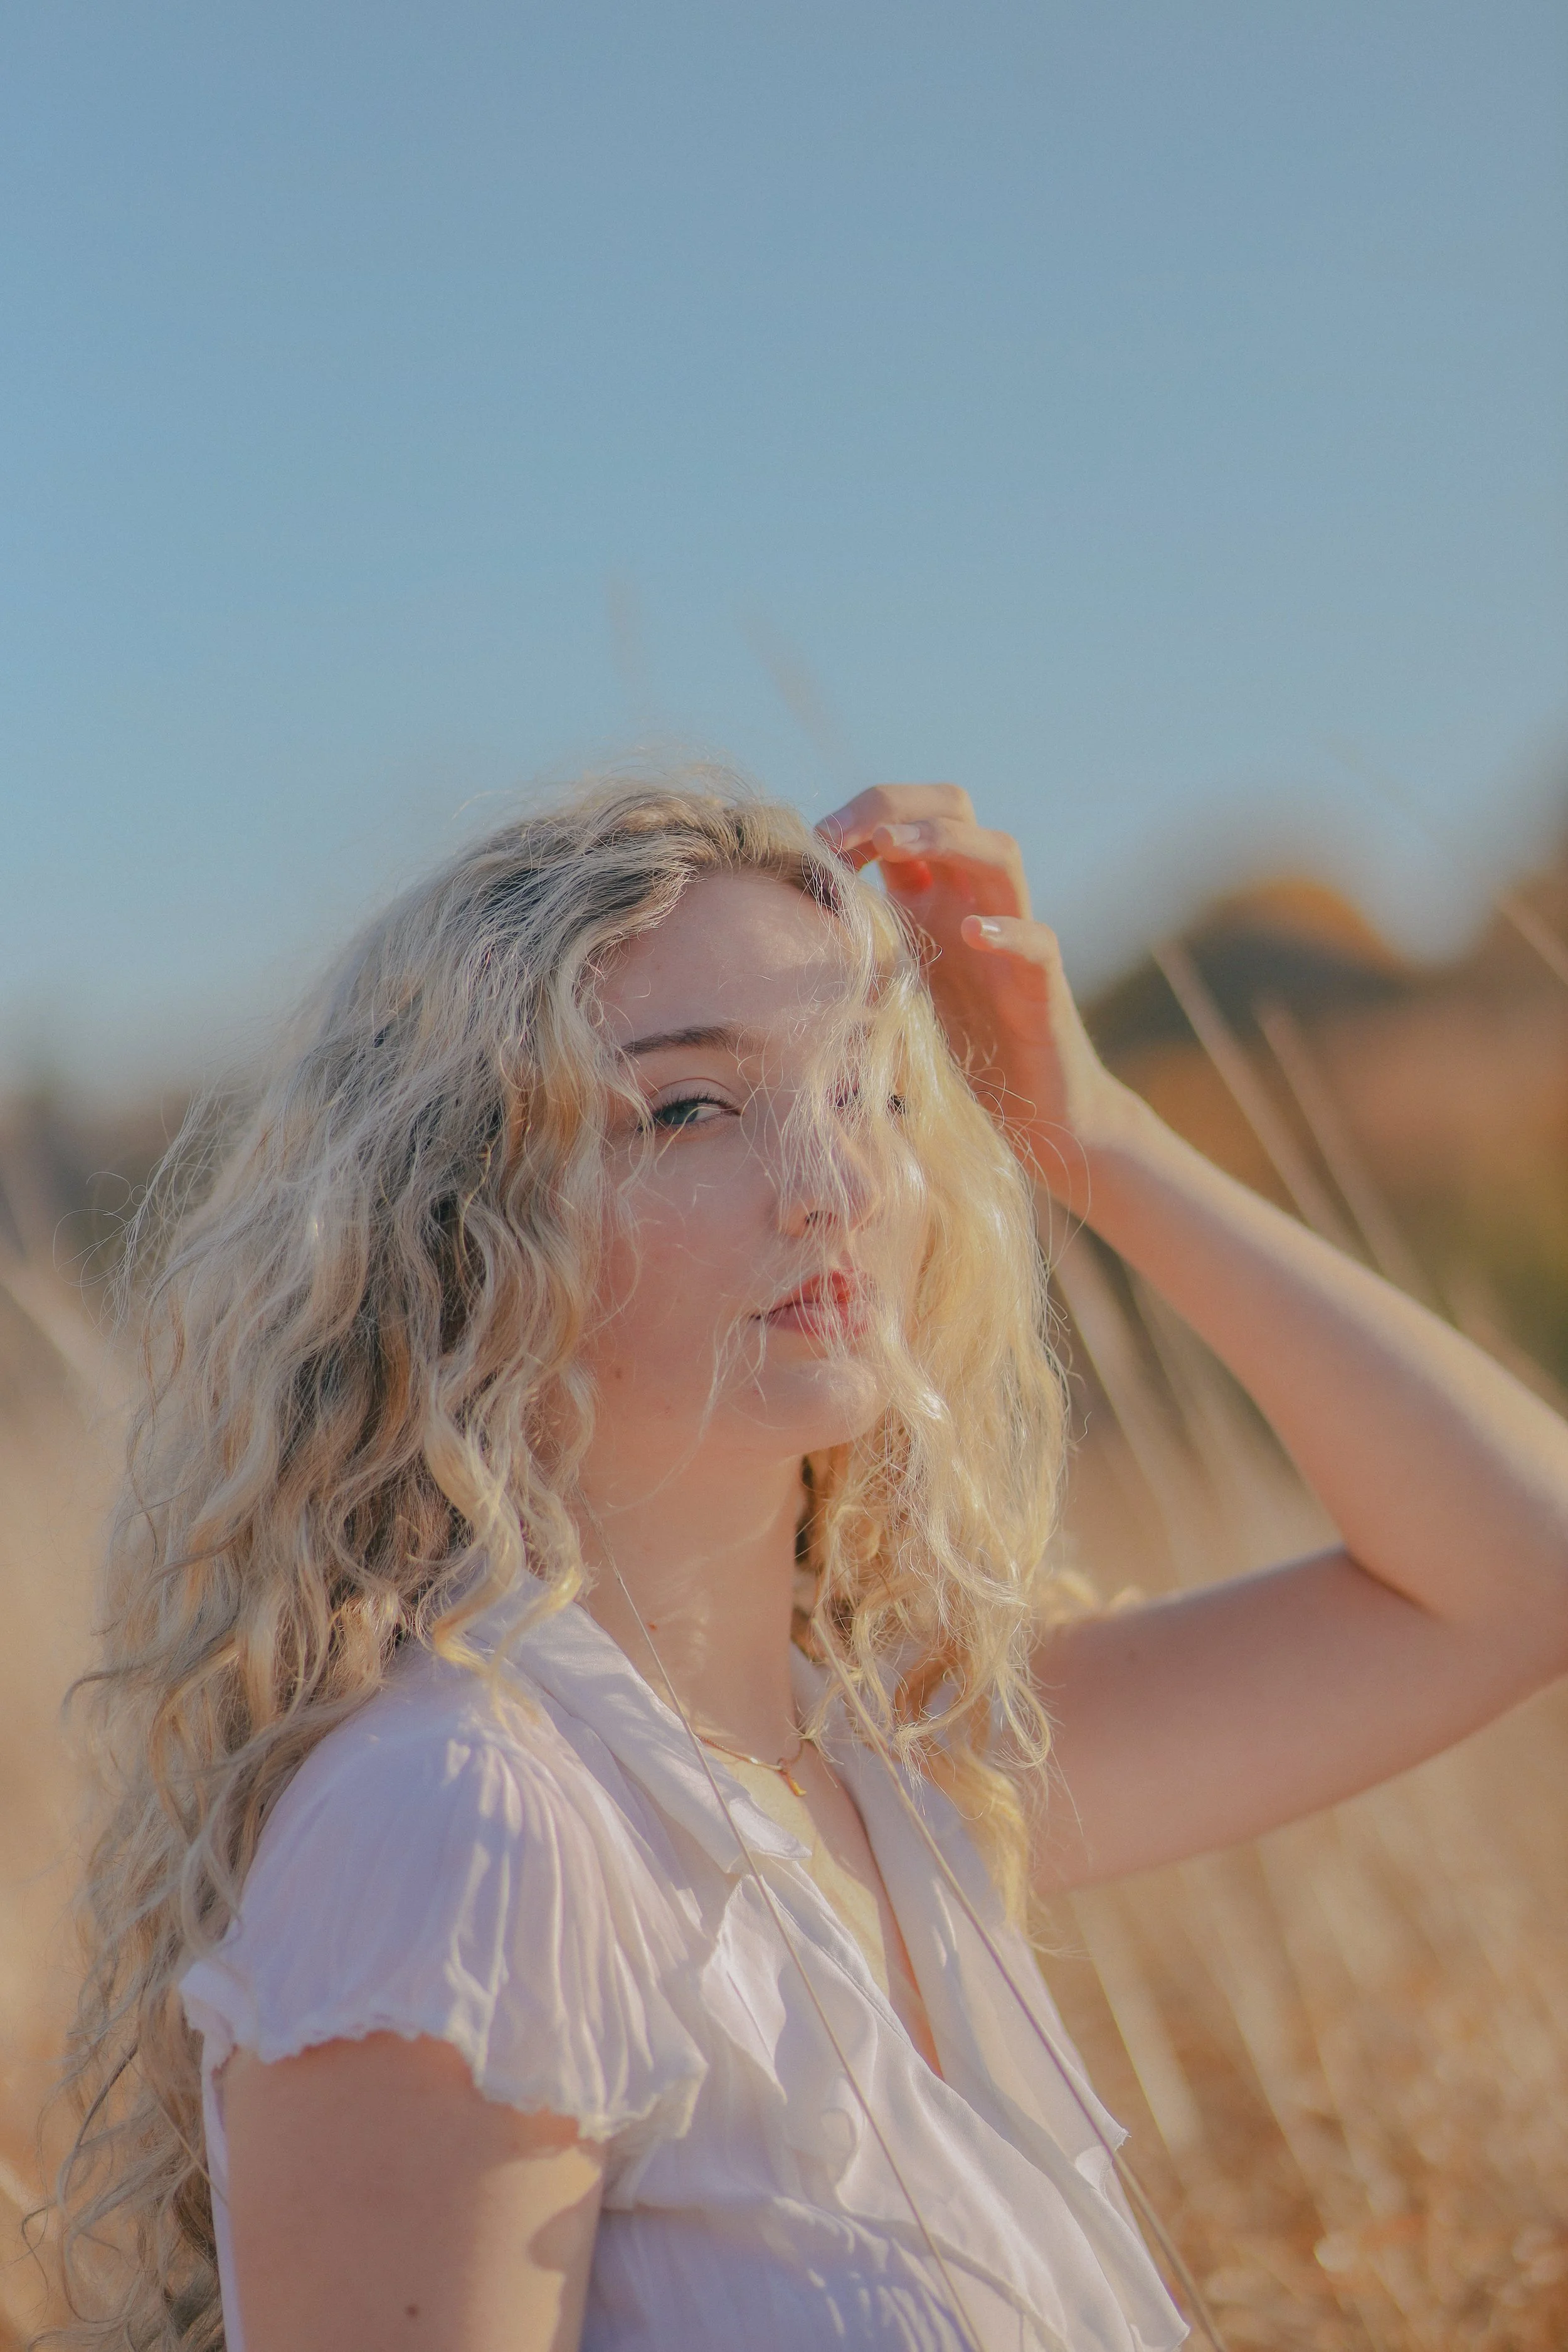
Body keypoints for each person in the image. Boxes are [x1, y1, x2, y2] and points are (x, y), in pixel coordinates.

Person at [58, 771, 1568, 2352]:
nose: (833, 1185)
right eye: (691, 1109)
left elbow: (1518, 1570)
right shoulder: (466, 1822)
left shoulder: (905, 1758)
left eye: (868, 1091)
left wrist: (1091, 1130)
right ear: (463, 1226)